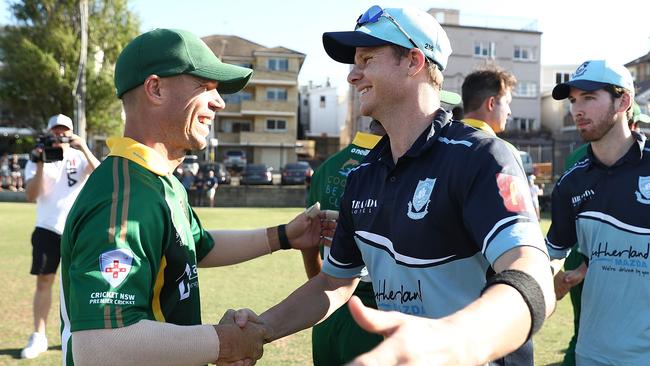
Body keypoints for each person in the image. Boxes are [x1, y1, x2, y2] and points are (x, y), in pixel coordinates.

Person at [230, 6, 555, 365]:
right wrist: (263, 327)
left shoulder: (481, 157)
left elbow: (531, 271)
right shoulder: (362, 177)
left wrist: (458, 339)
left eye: (366, 59)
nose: (353, 76)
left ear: (414, 60)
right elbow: (334, 283)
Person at [59, 28, 335, 366]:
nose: (219, 102)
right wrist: (224, 342)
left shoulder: (160, 182)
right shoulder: (125, 197)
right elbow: (99, 346)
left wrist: (284, 236)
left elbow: (198, 246)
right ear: (155, 88)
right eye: (204, 87)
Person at [546, 60, 650, 365]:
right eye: (574, 100)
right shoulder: (571, 181)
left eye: (589, 98)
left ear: (624, 101)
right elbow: (553, 254)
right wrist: (557, 281)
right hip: (591, 353)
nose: (577, 109)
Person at [300, 120, 384, 365]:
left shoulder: (327, 167)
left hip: (326, 311)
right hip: (372, 313)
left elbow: (308, 239)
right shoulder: (396, 165)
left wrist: (321, 287)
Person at [20, 114, 100, 359]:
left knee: (81, 284)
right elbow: (32, 195)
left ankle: (82, 334)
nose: (60, 136)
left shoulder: (78, 156)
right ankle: (39, 335)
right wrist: (42, 162)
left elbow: (100, 175)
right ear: (48, 133)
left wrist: (83, 146)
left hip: (77, 231)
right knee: (44, 282)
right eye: (56, 131)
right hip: (47, 227)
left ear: (71, 133)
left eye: (64, 132)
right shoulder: (37, 159)